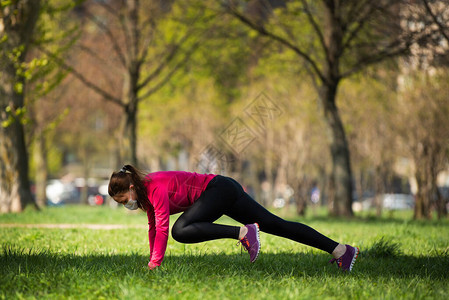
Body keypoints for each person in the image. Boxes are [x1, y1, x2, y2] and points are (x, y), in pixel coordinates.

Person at [108, 165, 359, 272]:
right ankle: (341, 251)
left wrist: (155, 264)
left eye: (122, 200)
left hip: (218, 189)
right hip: (222, 189)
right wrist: (153, 261)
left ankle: (242, 233)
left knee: (180, 230)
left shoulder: (155, 187)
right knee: (274, 224)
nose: (125, 205)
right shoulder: (144, 194)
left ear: (130, 188)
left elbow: (163, 228)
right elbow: (152, 228)